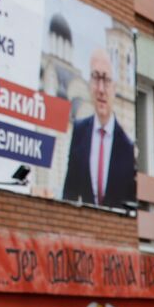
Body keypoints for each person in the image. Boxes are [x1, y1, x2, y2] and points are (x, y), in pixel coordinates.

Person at [61, 48, 136, 208]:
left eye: (106, 80)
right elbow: (69, 192)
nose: (101, 89)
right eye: (96, 78)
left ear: (114, 88)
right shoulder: (79, 132)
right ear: (89, 83)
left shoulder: (127, 148)